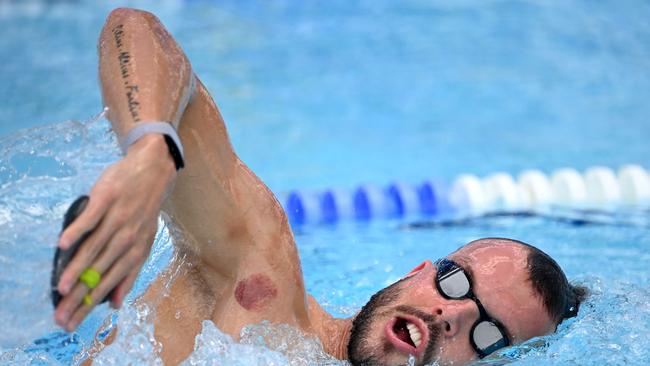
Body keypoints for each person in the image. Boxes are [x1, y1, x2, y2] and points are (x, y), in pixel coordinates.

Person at [52, 8, 587, 366]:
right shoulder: (257, 284)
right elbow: (138, 29)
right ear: (418, 271)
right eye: (455, 283)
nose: (454, 316)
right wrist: (151, 154)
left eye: (488, 335)